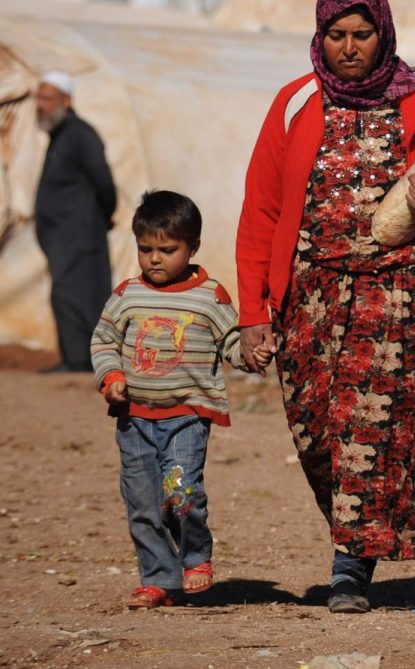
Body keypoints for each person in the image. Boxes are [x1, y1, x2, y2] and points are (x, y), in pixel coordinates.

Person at [234, 0, 415, 614]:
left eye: (361, 34)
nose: (349, 47)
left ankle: (352, 566)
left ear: (383, 34)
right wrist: (254, 312)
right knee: (317, 432)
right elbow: (260, 212)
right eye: (336, 35)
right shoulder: (294, 102)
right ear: (319, 36)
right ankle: (357, 528)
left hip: (393, 291)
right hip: (309, 294)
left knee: (371, 428)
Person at [92, 191, 243, 608]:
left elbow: (233, 340)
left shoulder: (209, 296)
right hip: (134, 419)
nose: (155, 259)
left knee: (180, 491)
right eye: (146, 249)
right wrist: (112, 376)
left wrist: (251, 353)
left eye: (167, 249)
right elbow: (103, 340)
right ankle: (159, 579)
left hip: (186, 416)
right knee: (141, 501)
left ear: (192, 247)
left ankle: (195, 558)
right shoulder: (127, 295)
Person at [34, 70, 116, 372]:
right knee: (72, 293)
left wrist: (102, 215)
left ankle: (80, 360)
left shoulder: (81, 134)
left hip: (79, 231)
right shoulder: (60, 136)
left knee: (74, 295)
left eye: (47, 98)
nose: (40, 105)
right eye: (38, 98)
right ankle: (78, 358)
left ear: (66, 101)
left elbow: (104, 182)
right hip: (65, 233)